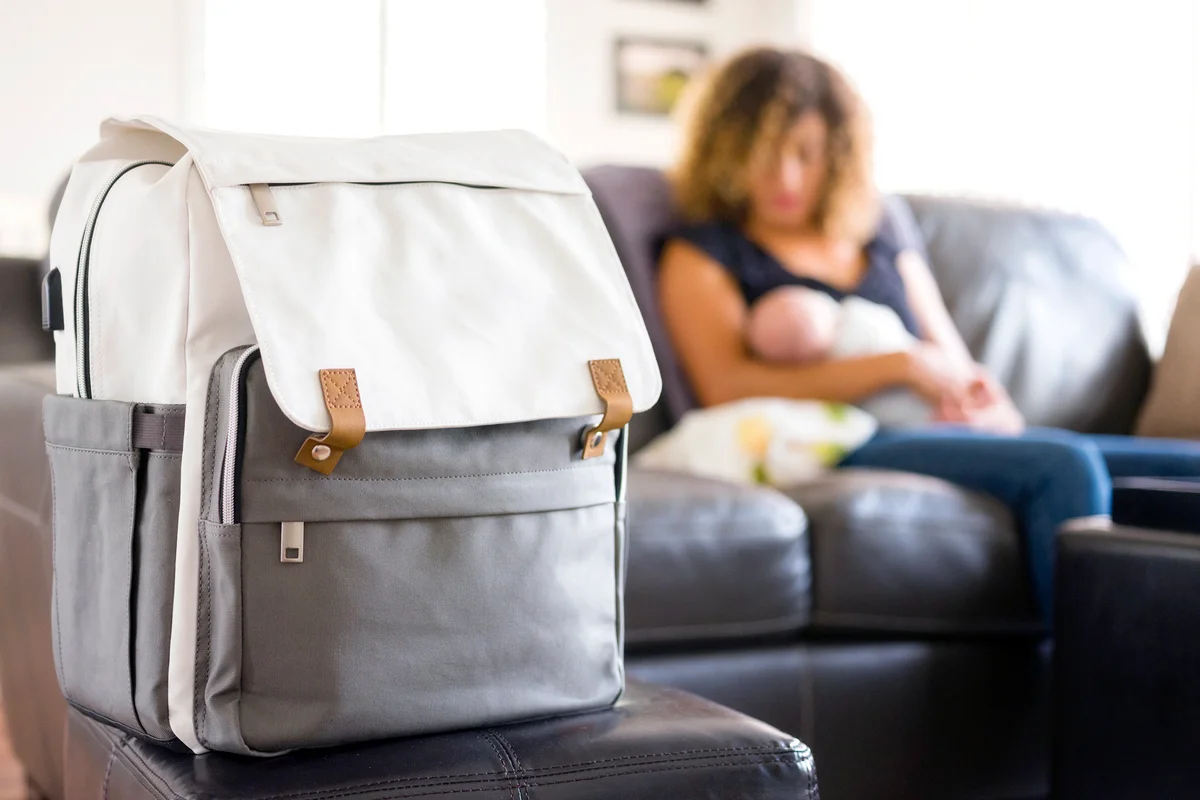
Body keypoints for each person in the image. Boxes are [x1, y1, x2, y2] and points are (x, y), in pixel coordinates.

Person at [657, 46, 1200, 622]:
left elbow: (951, 360)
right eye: (765, 156)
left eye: (807, 154)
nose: (786, 176)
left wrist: (986, 407)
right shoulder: (704, 252)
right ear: (727, 153)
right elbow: (726, 385)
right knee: (1062, 468)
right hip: (846, 439)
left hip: (933, 425)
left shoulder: (880, 239)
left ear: (839, 155)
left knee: (1184, 466)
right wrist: (898, 366)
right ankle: (1095, 691)